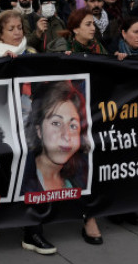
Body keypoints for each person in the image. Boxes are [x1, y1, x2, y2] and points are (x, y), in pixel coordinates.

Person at [20, 80, 94, 253]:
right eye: (56, 123)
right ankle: (32, 231)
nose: (66, 136)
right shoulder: (25, 179)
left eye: (73, 125)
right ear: (38, 129)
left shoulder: (77, 181)